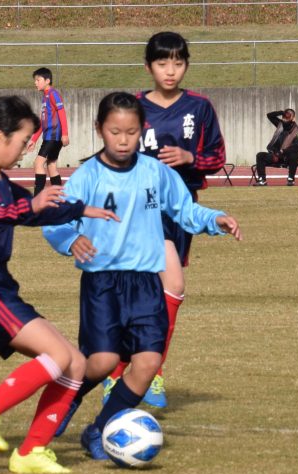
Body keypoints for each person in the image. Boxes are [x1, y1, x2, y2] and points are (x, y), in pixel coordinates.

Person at [43, 92, 242, 460]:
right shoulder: (87, 176)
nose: (123, 139)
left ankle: (100, 429)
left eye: (131, 132)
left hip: (147, 282)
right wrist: (71, 239)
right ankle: (67, 397)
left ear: (141, 131)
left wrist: (215, 219)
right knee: (101, 363)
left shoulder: (156, 173)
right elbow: (55, 221)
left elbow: (185, 210)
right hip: (103, 282)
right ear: (99, 130)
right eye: (115, 131)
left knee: (147, 363)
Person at [0, 96, 118, 474]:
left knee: (73, 363)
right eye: (23, 141)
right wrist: (33, 207)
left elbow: (34, 210)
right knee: (58, 357)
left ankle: (31, 453)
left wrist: (81, 209)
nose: (27, 150)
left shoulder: (0, 181)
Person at [104, 31, 227, 409]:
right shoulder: (134, 108)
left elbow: (218, 156)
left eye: (177, 63)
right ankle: (131, 374)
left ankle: (139, 371)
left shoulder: (200, 108)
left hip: (180, 209)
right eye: (162, 63)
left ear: (187, 64)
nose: (170, 71)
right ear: (148, 67)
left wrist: (191, 159)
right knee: (164, 286)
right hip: (139, 210)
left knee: (162, 295)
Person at [26, 67, 70, 196]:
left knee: (38, 163)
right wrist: (34, 139)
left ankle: (37, 198)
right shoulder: (45, 96)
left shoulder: (53, 94)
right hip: (49, 136)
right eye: (35, 80)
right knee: (51, 166)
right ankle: (60, 197)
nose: (35, 83)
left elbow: (62, 113)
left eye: (38, 80)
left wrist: (65, 134)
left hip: (54, 135)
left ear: (47, 80)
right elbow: (43, 121)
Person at [253, 108, 298, 186]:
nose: (285, 119)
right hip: (275, 156)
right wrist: (281, 112)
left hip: (286, 158)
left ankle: (291, 179)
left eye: (288, 117)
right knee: (260, 155)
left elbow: (295, 147)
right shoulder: (280, 124)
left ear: (293, 118)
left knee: (294, 153)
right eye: (284, 117)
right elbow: (269, 115)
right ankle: (262, 180)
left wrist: (282, 152)